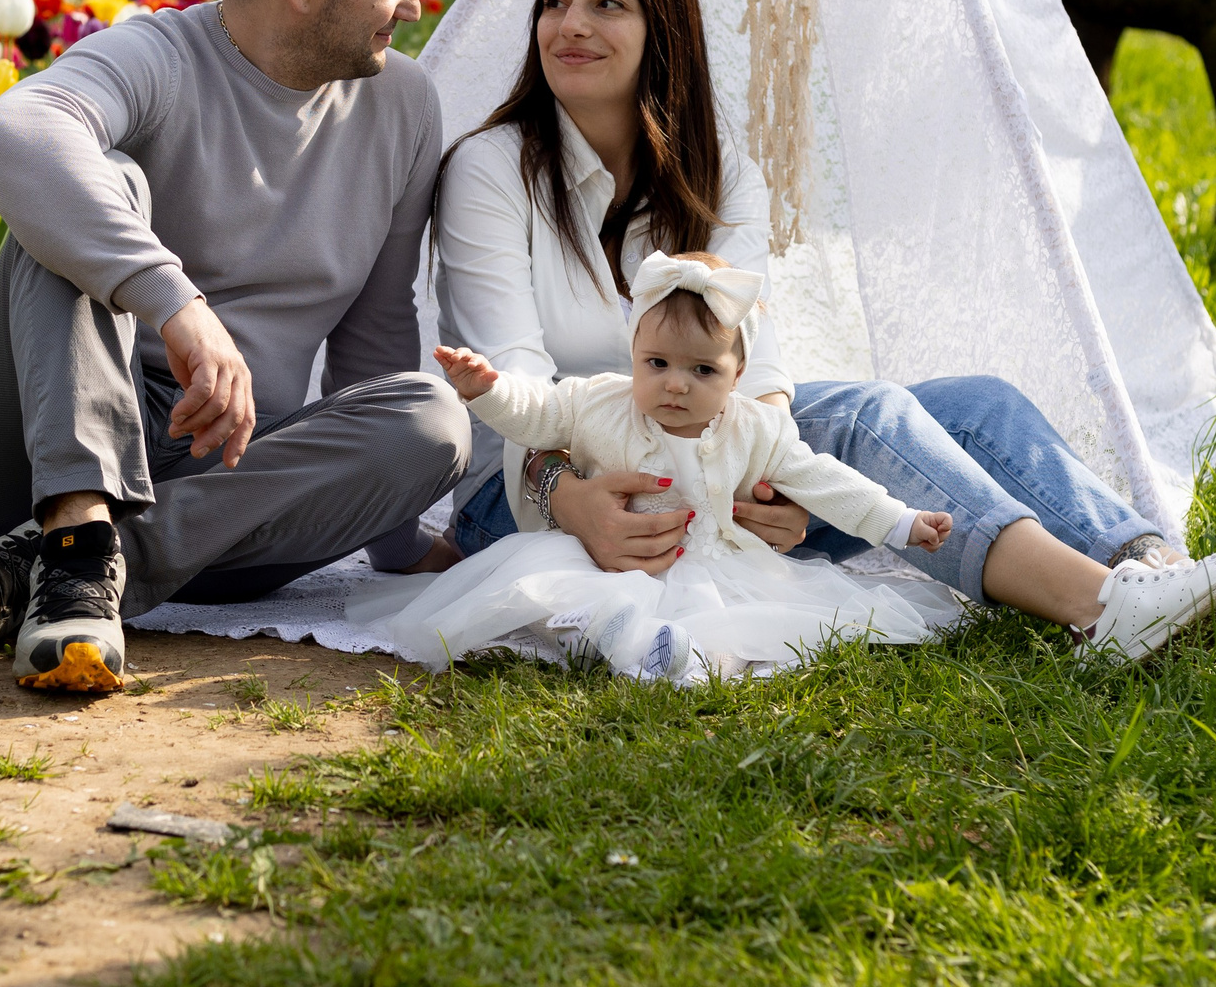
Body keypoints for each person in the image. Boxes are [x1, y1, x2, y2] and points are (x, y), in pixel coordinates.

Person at [433, 0, 1216, 655]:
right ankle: (1102, 613)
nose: (571, 24)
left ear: (665, 29)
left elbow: (754, 361)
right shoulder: (493, 171)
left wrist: (772, 479)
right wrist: (573, 505)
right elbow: (514, 393)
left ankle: (1179, 585)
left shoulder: (716, 171)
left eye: (607, 3)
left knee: (977, 403)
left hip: (707, 461)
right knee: (861, 416)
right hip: (543, 482)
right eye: (555, 2)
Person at [0, 0, 474, 692]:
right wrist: (177, 303)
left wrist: (394, 529)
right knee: (97, 177)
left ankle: (68, 563)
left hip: (226, 487)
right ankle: (70, 516)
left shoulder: (403, 105)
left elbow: (376, 336)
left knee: (432, 419)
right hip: (25, 449)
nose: (411, 5)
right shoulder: (162, 55)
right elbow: (14, 132)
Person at [355, 250, 986, 681]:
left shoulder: (754, 428)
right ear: (633, 352)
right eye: (656, 363)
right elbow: (537, 414)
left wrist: (900, 522)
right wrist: (486, 389)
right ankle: (621, 634)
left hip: (711, 562)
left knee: (734, 623)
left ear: (738, 374)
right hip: (606, 554)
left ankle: (687, 658)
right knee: (552, 589)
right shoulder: (600, 401)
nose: (675, 386)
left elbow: (828, 482)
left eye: (702, 370)